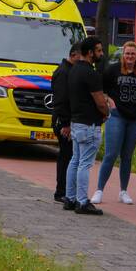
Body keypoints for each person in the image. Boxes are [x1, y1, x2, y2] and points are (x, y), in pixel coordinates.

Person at [92, 41, 136, 205]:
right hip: (117, 116)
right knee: (111, 154)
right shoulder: (113, 70)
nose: (130, 56)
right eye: (127, 53)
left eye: (133, 54)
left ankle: (123, 191)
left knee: (127, 156)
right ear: (122, 54)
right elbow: (102, 90)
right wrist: (110, 102)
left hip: (135, 120)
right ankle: (99, 190)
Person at [65, 36, 108, 215]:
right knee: (85, 163)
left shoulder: (74, 70)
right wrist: (106, 112)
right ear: (90, 52)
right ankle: (82, 202)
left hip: (76, 122)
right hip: (89, 124)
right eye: (98, 50)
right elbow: (99, 100)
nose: (101, 54)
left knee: (75, 160)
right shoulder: (91, 73)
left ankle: (70, 197)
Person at [50, 43, 80, 205]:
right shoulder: (63, 73)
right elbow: (61, 101)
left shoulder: (69, 71)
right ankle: (61, 191)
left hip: (65, 120)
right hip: (63, 122)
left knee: (67, 156)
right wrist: (65, 124)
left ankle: (65, 190)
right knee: (65, 157)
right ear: (74, 55)